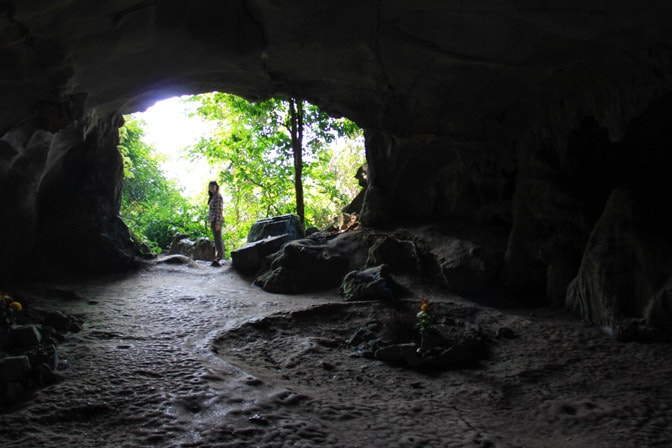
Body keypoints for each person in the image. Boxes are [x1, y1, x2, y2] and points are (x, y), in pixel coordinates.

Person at [207, 181, 224, 265]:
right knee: (216, 239)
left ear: (216, 187)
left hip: (216, 220)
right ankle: (218, 256)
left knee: (218, 239)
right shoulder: (213, 196)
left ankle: (219, 257)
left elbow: (219, 211)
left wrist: (218, 223)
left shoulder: (218, 196)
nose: (212, 188)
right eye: (210, 187)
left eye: (213, 186)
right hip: (213, 220)